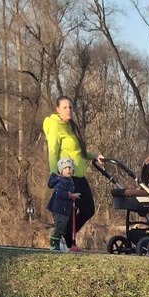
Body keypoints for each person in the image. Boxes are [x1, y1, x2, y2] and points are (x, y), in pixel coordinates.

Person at [41, 97, 100, 245]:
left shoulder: (71, 127)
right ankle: (63, 239)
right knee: (70, 210)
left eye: (70, 107)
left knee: (89, 209)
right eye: (65, 107)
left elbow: (81, 152)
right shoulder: (55, 126)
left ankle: (65, 238)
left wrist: (96, 156)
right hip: (67, 177)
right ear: (58, 110)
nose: (69, 110)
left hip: (80, 176)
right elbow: (53, 152)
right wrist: (55, 175)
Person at [46, 155, 82, 251]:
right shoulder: (61, 181)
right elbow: (59, 192)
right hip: (59, 208)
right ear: (61, 170)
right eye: (66, 168)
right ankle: (54, 244)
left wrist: (73, 196)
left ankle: (62, 244)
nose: (69, 169)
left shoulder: (70, 181)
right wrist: (69, 195)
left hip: (66, 209)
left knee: (64, 227)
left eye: (70, 168)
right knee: (59, 226)